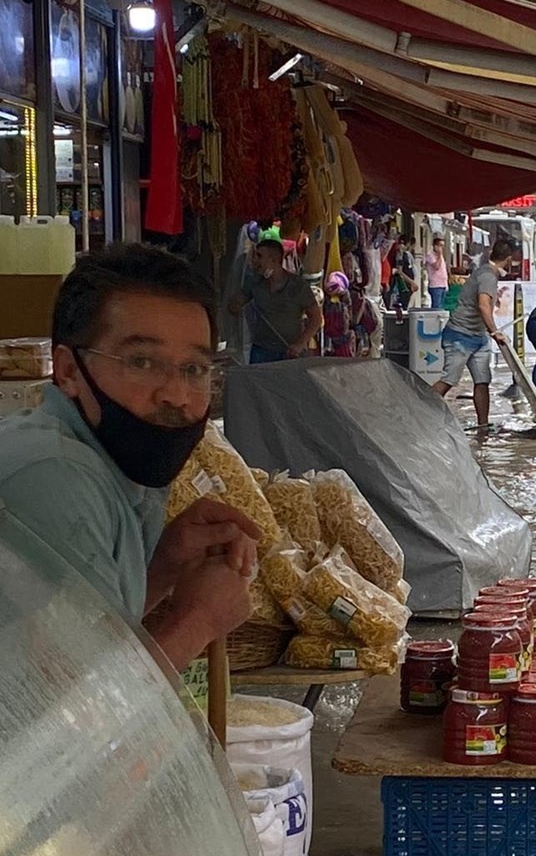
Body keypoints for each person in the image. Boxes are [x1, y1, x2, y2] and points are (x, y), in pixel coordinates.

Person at [0, 244, 259, 673]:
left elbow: (92, 640)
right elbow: (79, 716)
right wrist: (198, 621)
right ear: (67, 371)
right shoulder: (54, 475)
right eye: (141, 361)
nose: (175, 394)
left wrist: (162, 565)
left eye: (194, 369)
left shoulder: (107, 464)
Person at [432, 238, 514, 429]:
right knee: (449, 380)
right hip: (460, 335)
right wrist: (495, 332)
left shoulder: (486, 272)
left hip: (478, 336)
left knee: (483, 381)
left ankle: (483, 425)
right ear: (508, 259)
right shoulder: (487, 276)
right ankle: (420, 413)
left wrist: (489, 333)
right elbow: (483, 305)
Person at [229, 237, 322, 363]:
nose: (255, 260)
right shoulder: (255, 282)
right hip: (261, 351)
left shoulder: (298, 286)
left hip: (289, 352)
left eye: (259, 256)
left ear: (274, 260)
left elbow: (316, 318)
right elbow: (236, 304)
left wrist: (300, 344)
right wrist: (236, 306)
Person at [425, 236, 449, 310]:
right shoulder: (430, 256)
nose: (442, 248)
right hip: (435, 285)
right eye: (440, 245)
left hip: (443, 284)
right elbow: (436, 266)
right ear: (435, 246)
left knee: (441, 307)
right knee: (436, 307)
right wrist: (439, 255)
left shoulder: (441, 256)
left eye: (443, 246)